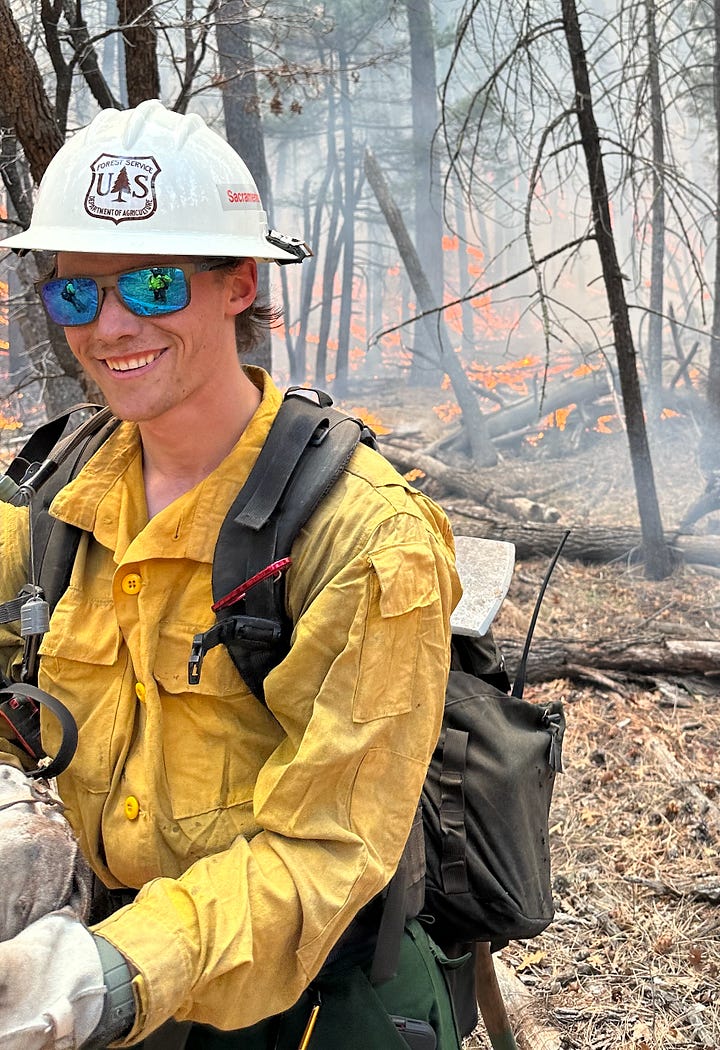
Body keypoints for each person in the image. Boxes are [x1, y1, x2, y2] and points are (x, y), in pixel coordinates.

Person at [0, 100, 465, 1049]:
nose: (114, 325)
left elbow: (324, 852)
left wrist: (111, 974)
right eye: (78, 295)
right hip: (89, 966)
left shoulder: (363, 537)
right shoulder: (55, 499)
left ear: (239, 284)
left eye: (158, 283)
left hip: (302, 1004)